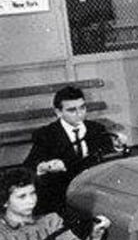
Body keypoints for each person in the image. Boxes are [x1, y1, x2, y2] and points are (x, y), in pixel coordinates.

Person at [23, 85, 124, 216]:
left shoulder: (97, 129)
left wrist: (117, 146)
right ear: (58, 112)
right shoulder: (46, 134)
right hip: (62, 192)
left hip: (94, 187)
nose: (79, 114)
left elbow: (108, 159)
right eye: (72, 110)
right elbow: (28, 166)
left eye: (82, 108)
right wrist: (45, 166)